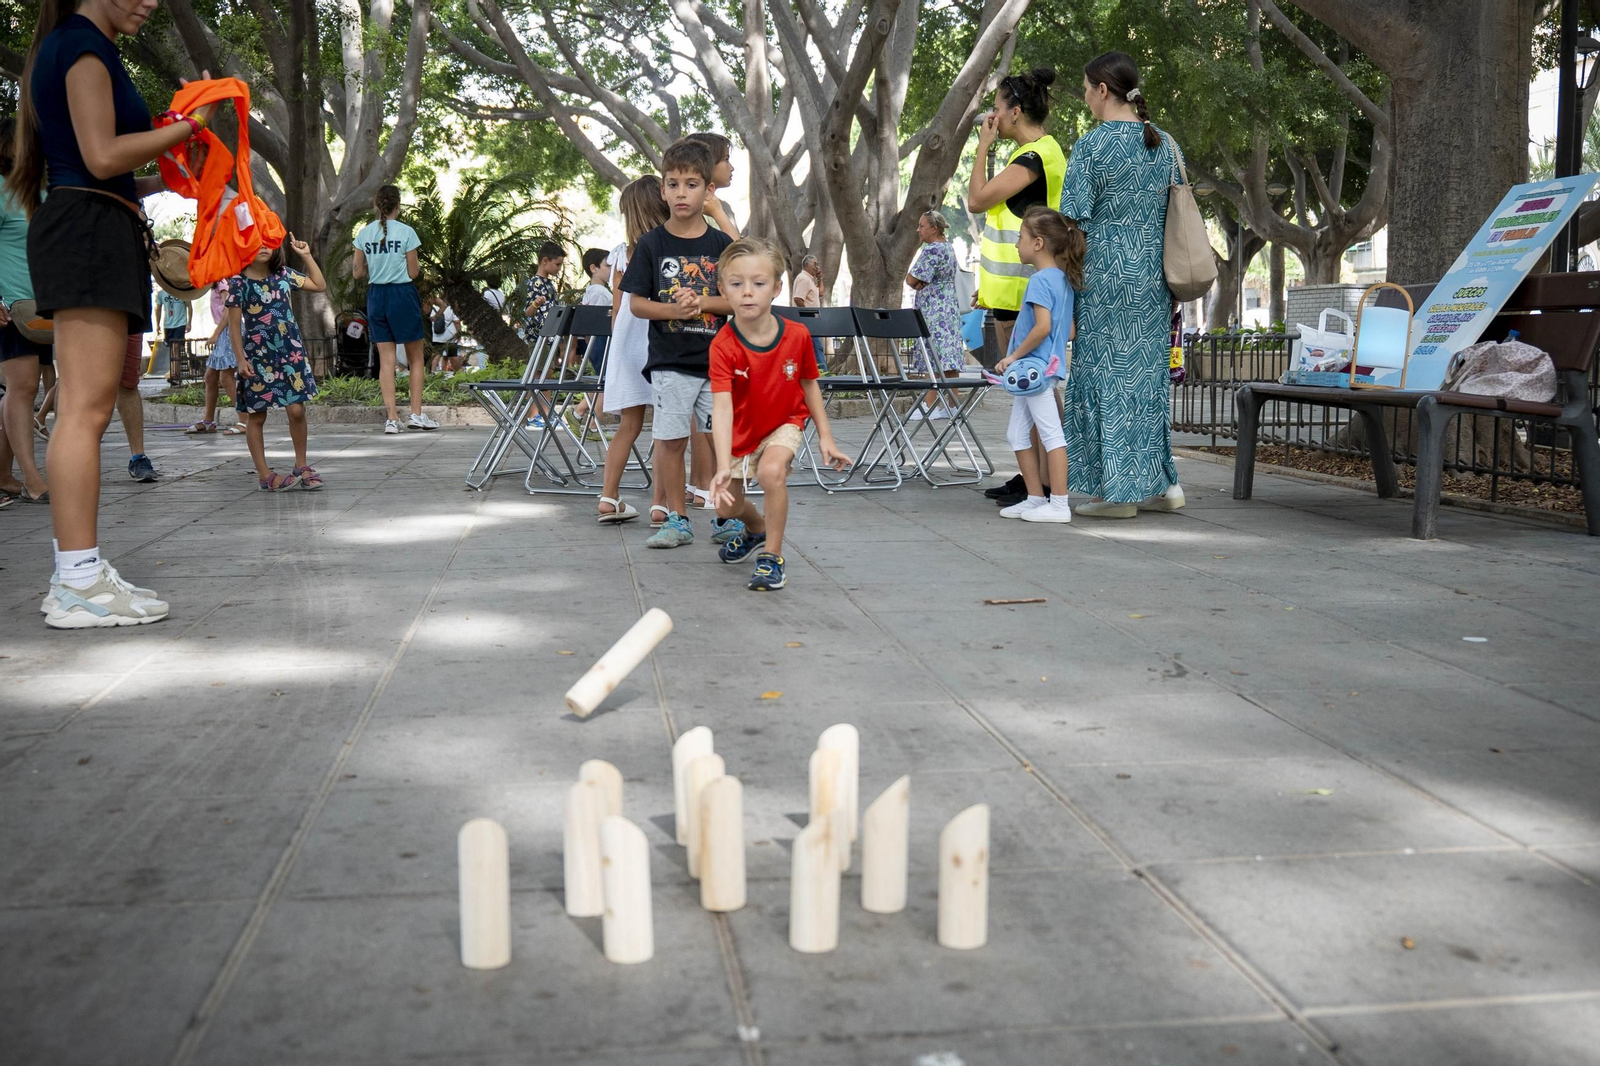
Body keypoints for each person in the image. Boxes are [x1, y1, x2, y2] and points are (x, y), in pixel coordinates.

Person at [15, 0, 221, 627]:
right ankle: (76, 581)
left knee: (88, 407)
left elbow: (102, 168)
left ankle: (77, 575)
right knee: (84, 410)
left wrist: (170, 175)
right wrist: (189, 126)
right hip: (87, 232)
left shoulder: (79, 44)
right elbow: (103, 156)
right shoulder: (80, 45)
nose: (150, 2)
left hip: (98, 224)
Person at [1060, 51, 1185, 518]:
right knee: (1146, 382)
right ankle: (1165, 484)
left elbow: (1073, 225)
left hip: (1104, 279)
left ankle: (1118, 495)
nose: (1085, 98)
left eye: (1086, 89)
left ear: (1103, 90)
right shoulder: (1165, 144)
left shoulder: (1091, 146)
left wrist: (1063, 285)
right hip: (1154, 280)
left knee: (1105, 378)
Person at [708, 238, 848, 591]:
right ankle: (756, 528)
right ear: (723, 289)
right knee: (726, 508)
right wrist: (722, 466)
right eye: (736, 283)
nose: (747, 292)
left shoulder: (797, 335)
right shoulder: (722, 345)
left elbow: (809, 384)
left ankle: (772, 556)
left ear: (776, 288)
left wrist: (826, 436)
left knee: (771, 472)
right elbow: (721, 407)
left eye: (758, 283)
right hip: (741, 430)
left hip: (784, 421)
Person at [619, 138, 734, 549]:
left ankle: (726, 517)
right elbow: (636, 304)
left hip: (716, 365)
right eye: (673, 184)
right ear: (663, 190)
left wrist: (702, 302)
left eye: (691, 184)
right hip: (670, 364)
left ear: (708, 190)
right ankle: (677, 518)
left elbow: (736, 301)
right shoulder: (652, 244)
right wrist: (674, 310)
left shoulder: (721, 246)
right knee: (670, 441)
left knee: (722, 441)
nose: (682, 193)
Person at [968, 67, 1067, 506]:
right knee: (1032, 389)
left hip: (1025, 292)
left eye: (996, 107)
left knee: (1035, 387)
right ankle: (1035, 480)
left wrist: (982, 147)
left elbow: (977, 199)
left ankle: (1044, 484)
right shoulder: (1042, 153)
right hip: (1016, 291)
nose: (992, 116)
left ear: (1016, 111)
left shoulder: (1032, 158)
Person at [993, 207, 1082, 524]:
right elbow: (1068, 331)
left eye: (1021, 237)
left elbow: (1042, 327)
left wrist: (1013, 356)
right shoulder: (1062, 280)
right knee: (1017, 434)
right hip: (1045, 370)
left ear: (1038, 243)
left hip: (1034, 371)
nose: (1017, 244)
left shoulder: (1040, 281)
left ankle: (1059, 504)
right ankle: (1034, 498)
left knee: (1051, 435)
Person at [596, 176, 669, 525]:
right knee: (666, 426)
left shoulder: (622, 254)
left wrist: (618, 349)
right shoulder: (668, 246)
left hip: (627, 339)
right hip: (660, 335)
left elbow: (617, 306)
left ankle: (608, 498)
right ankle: (660, 504)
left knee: (629, 424)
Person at [229, 235, 326, 491]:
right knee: (256, 415)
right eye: (256, 241)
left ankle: (301, 465)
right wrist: (240, 359)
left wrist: (306, 255)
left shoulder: (283, 274)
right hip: (257, 356)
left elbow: (319, 285)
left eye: (268, 242)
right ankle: (265, 475)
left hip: (289, 352)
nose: (263, 246)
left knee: (296, 410)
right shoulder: (238, 282)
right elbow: (234, 325)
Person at [353, 184, 436, 434]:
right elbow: (414, 272)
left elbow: (357, 273)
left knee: (386, 361)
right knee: (416, 359)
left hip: (376, 296)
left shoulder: (364, 234)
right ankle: (416, 414)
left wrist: (374, 266)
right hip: (402, 294)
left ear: (376, 205)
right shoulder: (407, 232)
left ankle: (391, 418)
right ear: (397, 206)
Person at [0, 115, 50, 504]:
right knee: (23, 387)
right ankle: (33, 478)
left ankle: (4, 475)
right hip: (10, 307)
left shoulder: (44, 191)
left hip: (47, 307)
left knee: (24, 388)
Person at [905, 211, 966, 420]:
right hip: (948, 307)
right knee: (949, 358)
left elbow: (911, 279)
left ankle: (928, 406)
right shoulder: (948, 248)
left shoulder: (931, 250)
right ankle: (952, 405)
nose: (918, 230)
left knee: (933, 356)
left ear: (933, 228)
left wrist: (917, 281)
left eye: (921, 226)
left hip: (933, 309)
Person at [184, 278, 240, 434]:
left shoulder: (222, 282)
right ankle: (208, 420)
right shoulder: (217, 284)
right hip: (224, 332)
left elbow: (230, 308)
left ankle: (245, 420)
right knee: (210, 377)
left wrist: (216, 333)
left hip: (229, 330)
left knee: (226, 377)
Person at [519, 240, 565, 342]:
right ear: (545, 261)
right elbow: (528, 312)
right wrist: (535, 304)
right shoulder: (535, 283)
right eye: (557, 264)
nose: (559, 268)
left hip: (550, 338)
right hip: (538, 340)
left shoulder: (549, 283)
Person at [790, 254, 826, 372]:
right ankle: (823, 373)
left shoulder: (809, 280)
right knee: (816, 347)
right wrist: (807, 314)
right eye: (815, 264)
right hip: (808, 321)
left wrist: (820, 278)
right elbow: (798, 298)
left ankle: (817, 372)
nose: (817, 267)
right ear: (807, 265)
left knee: (813, 347)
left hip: (812, 321)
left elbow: (821, 293)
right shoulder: (803, 279)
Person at [155, 286, 188, 385]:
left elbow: (189, 306)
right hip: (168, 325)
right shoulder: (161, 293)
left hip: (180, 323)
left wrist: (189, 322)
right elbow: (158, 309)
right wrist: (157, 324)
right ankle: (174, 372)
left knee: (176, 348)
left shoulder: (181, 291)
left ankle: (175, 374)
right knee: (172, 350)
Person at [426, 294, 460, 374]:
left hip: (436, 337)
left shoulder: (433, 308)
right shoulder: (451, 308)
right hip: (450, 336)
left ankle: (432, 373)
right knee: (453, 356)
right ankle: (457, 373)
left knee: (435, 356)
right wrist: (459, 333)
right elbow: (457, 322)